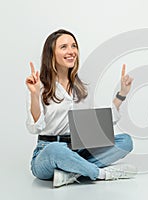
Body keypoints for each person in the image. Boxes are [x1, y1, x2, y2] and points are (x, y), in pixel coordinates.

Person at [25, 29, 136, 188]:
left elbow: (98, 123)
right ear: (52, 54)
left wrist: (122, 94)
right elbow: (35, 127)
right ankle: (100, 174)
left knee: (125, 141)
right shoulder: (39, 85)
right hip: (48, 151)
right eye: (63, 47)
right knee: (55, 149)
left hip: (79, 148)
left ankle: (71, 171)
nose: (71, 51)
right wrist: (35, 95)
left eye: (74, 46)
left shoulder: (81, 88)